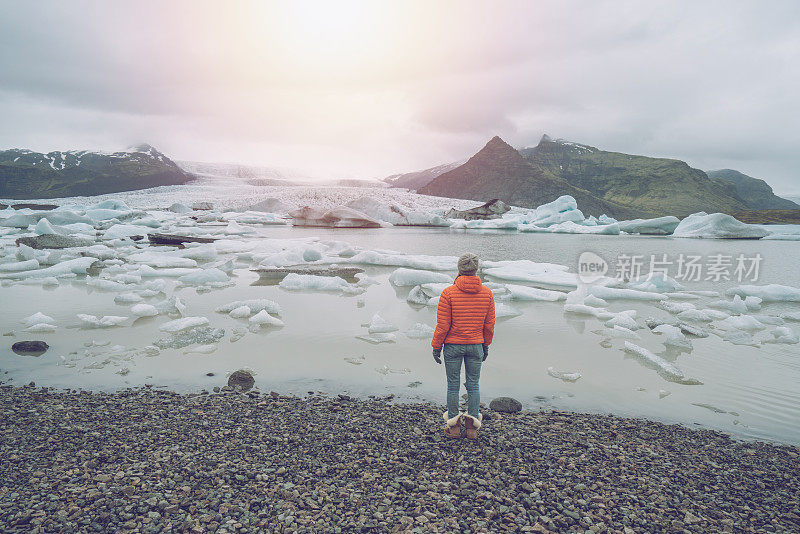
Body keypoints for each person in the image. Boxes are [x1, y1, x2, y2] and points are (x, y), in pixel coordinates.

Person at [431, 253, 495, 439]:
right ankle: (472, 429)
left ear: (459, 269)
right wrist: (486, 345)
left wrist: (436, 347)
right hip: (476, 345)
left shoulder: (448, 293)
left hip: (452, 346)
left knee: (453, 386)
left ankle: (454, 428)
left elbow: (443, 325)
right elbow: (489, 325)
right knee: (473, 385)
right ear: (476, 269)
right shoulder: (487, 293)